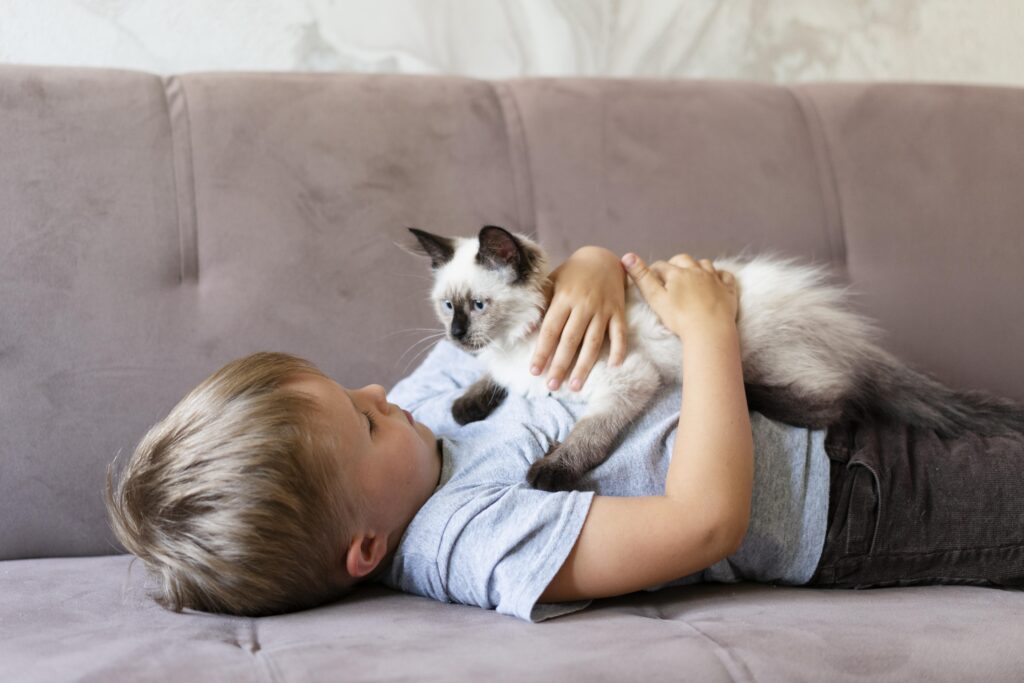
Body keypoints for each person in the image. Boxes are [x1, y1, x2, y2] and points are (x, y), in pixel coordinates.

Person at [105, 247, 1024, 621]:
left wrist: (584, 265)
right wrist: (709, 331)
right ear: (366, 547)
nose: (383, 387)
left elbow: (529, 293)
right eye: (363, 415)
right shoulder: (470, 539)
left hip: (801, 394)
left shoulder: (422, 420)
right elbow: (708, 520)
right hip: (852, 506)